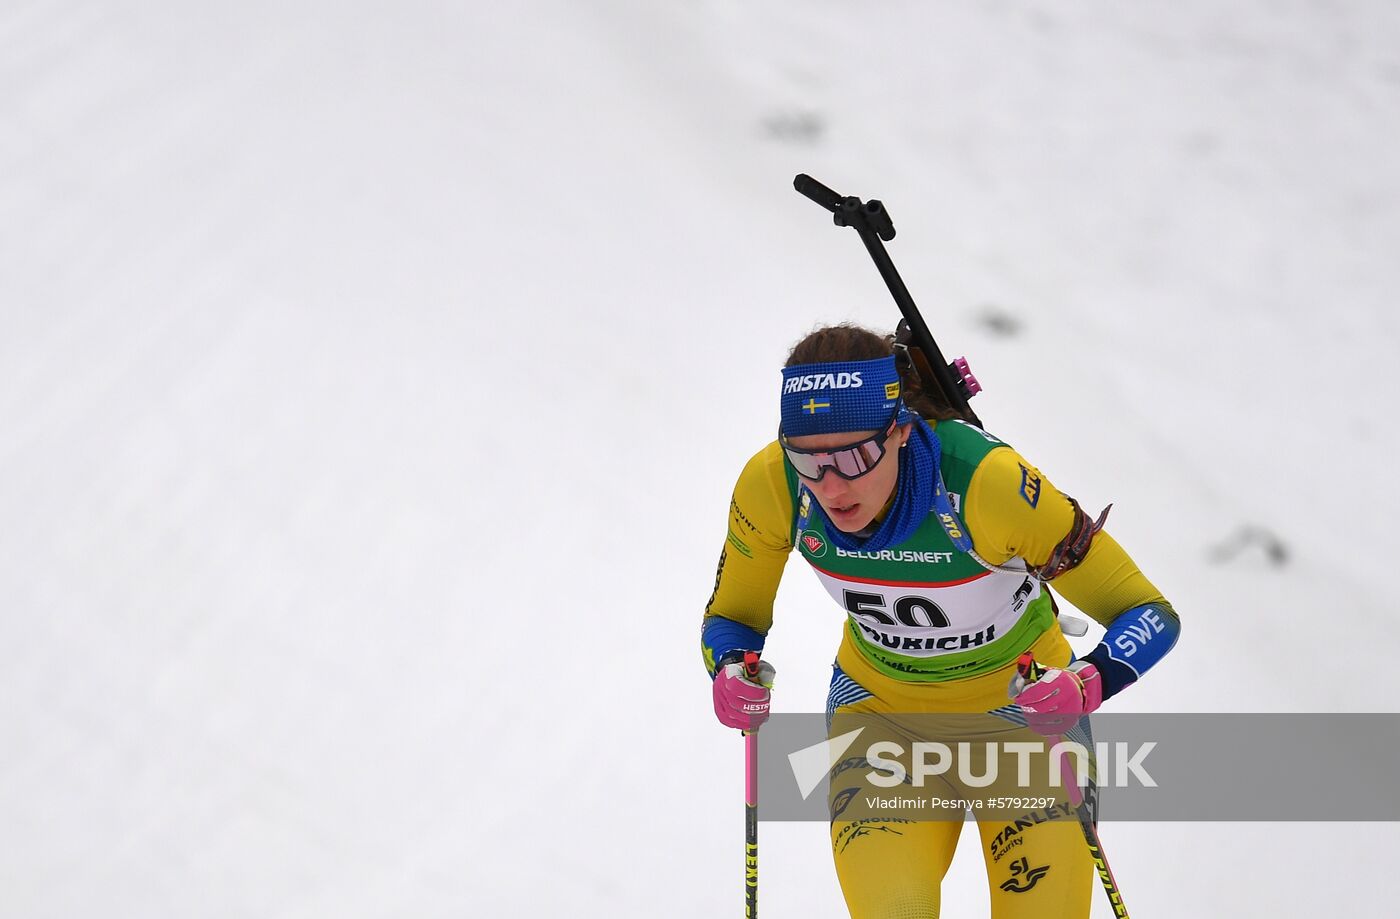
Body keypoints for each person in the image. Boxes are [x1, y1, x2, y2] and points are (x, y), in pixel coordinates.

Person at [702, 323, 1180, 918]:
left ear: (901, 430)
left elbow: (1150, 614)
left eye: (855, 456)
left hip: (1024, 723)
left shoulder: (987, 484)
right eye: (808, 460)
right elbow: (732, 618)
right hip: (882, 719)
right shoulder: (773, 486)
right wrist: (729, 670)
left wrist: (1089, 681)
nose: (831, 484)